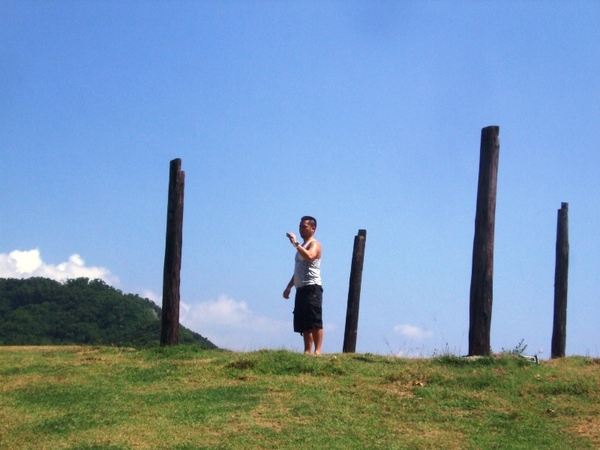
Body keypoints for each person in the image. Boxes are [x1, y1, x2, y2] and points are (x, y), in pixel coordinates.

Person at [283, 216, 323, 355]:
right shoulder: (301, 248)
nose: (301, 229)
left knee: (314, 320)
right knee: (304, 322)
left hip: (312, 287)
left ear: (313, 228)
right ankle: (307, 350)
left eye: (304, 226)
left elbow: (310, 256)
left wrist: (295, 243)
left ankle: (318, 351)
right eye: (300, 226)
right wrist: (289, 286)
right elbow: (298, 270)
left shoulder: (314, 244)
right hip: (300, 288)